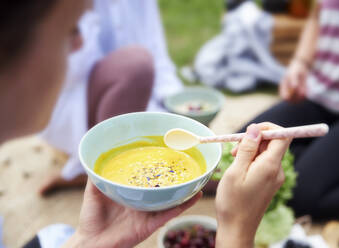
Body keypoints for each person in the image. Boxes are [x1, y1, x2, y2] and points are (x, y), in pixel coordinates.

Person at [0, 0, 291, 247]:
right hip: (95, 99)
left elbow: (156, 55)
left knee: (58, 236)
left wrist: (92, 241)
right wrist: (237, 228)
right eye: (71, 29)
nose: (78, 42)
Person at [239, 0, 339, 219]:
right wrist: (300, 63)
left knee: (298, 197)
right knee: (239, 147)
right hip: (319, 94)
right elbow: (317, 13)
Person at [38, 0, 184, 195]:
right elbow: (71, 70)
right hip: (72, 103)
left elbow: (155, 48)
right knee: (136, 64)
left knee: (202, 173)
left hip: (130, 99)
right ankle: (102, 172)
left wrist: (175, 104)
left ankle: (96, 174)